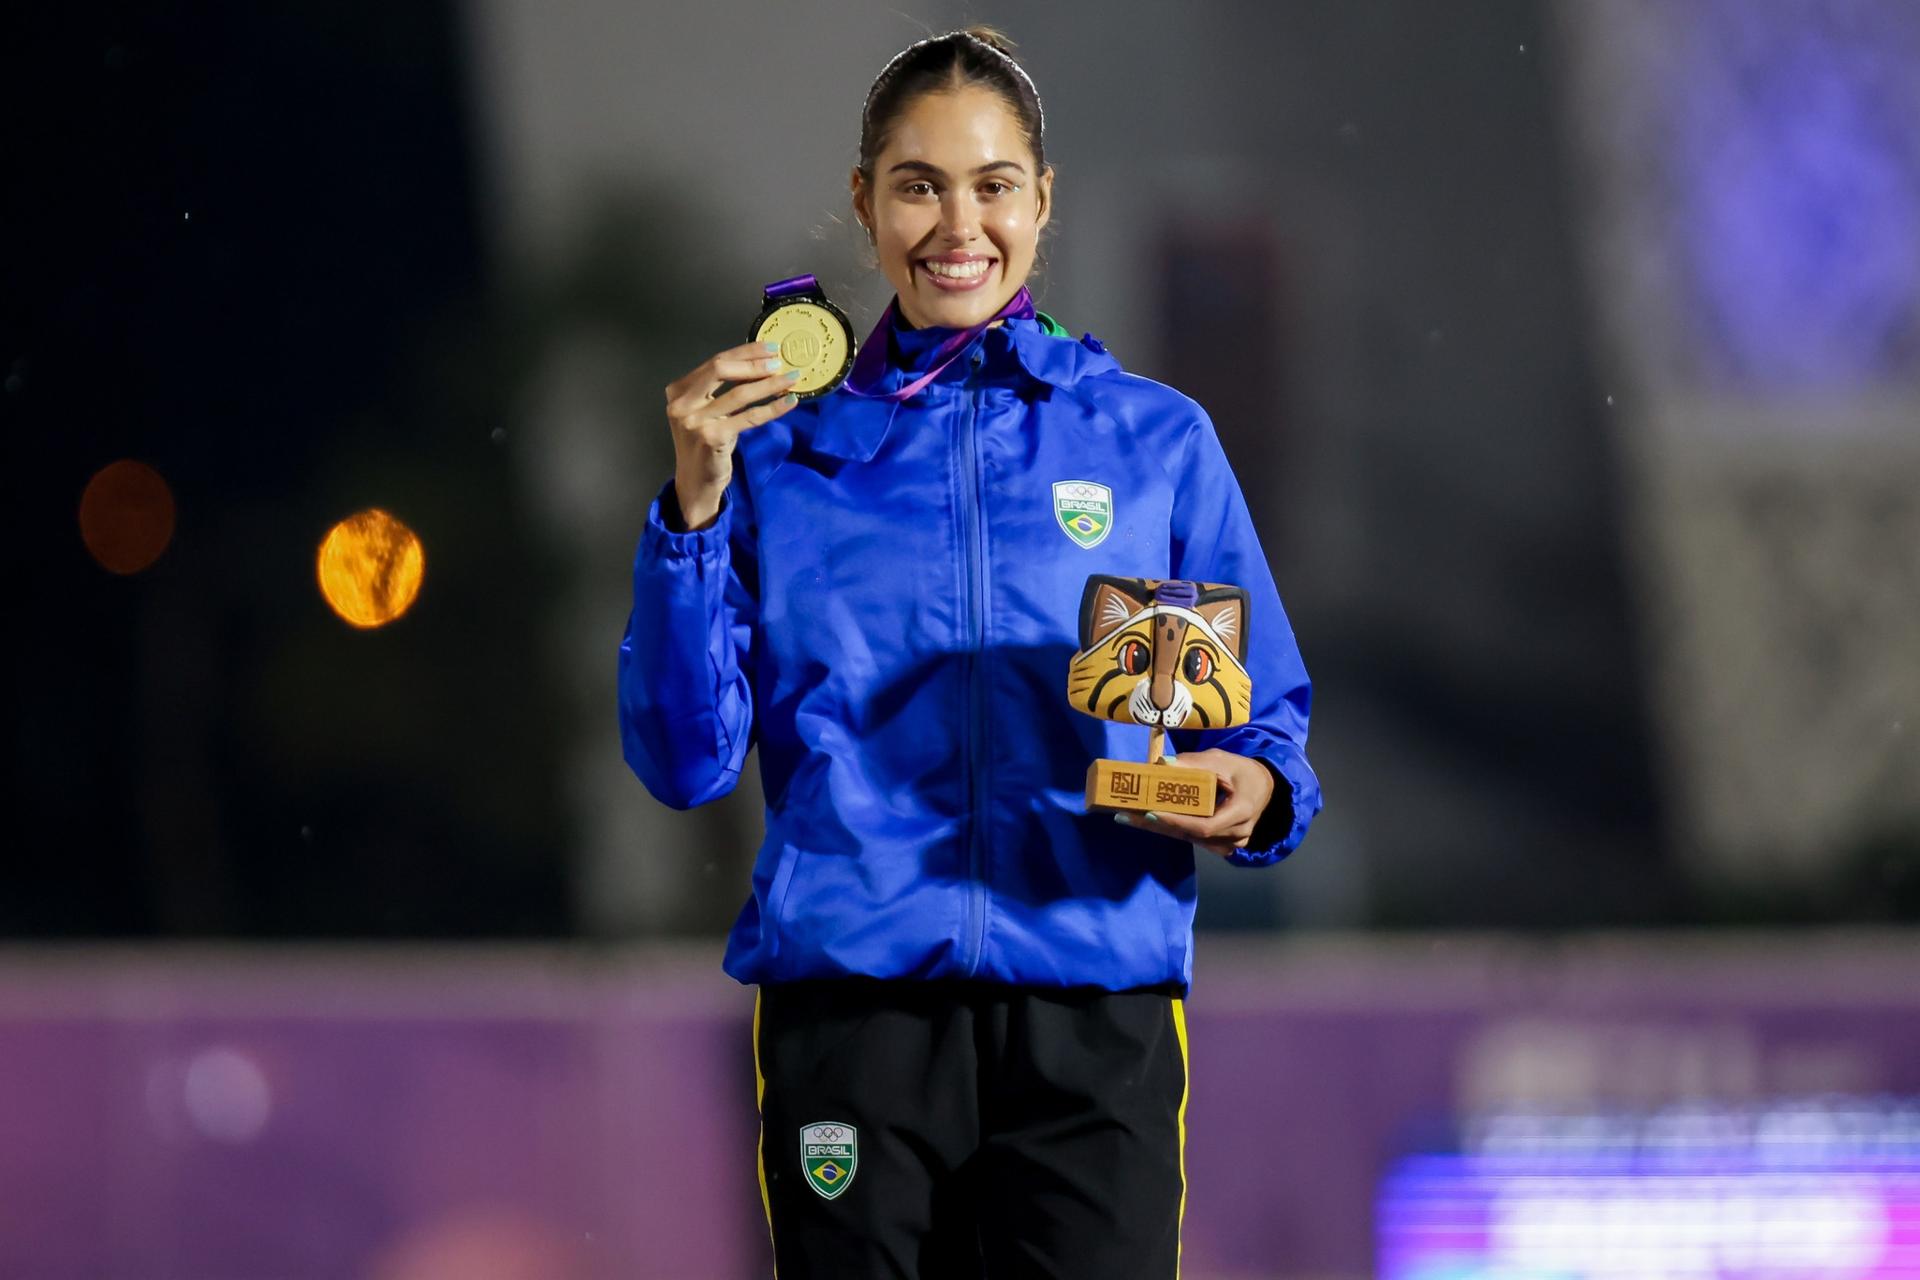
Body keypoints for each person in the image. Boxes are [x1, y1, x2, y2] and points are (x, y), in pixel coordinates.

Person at [619, 25, 1321, 1279]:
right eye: (919, 183)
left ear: (1042, 200)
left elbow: (1264, 722)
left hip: (1091, 1003)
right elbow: (684, 760)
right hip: (855, 1013)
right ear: (863, 202)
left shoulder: (1154, 441)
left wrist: (1255, 786)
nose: (960, 223)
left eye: (994, 183)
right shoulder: (778, 456)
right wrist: (690, 514)